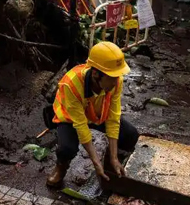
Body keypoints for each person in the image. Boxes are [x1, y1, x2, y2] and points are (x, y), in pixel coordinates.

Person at [45, 42, 139, 188]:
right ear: (95, 73)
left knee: (130, 135)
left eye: (118, 75)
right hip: (71, 118)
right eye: (112, 77)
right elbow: (81, 125)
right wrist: (95, 162)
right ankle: (61, 167)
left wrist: (114, 157)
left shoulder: (115, 81)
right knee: (66, 149)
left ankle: (111, 164)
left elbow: (113, 119)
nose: (117, 81)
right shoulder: (71, 83)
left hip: (97, 115)